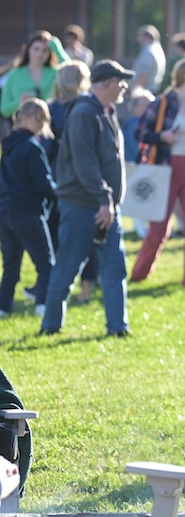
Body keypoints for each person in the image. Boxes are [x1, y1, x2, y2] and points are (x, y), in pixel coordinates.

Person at [40, 60, 133, 337]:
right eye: (120, 80)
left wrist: (110, 203)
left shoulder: (107, 111)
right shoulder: (84, 113)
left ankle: (118, 328)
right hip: (83, 206)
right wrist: (104, 200)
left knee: (115, 269)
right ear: (105, 83)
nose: (124, 85)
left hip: (106, 207)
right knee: (68, 268)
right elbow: (85, 163)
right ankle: (51, 325)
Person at [130, 60, 185, 287]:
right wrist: (162, 137)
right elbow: (140, 133)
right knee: (158, 229)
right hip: (165, 169)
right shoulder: (162, 103)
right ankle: (139, 274)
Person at [0, 99, 56, 318]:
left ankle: (3, 307)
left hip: (5, 212)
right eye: (40, 119)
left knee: (11, 265)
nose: (42, 124)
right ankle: (43, 306)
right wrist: (59, 193)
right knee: (46, 263)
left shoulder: (8, 146)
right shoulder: (32, 147)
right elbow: (43, 183)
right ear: (28, 118)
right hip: (28, 211)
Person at [0, 30, 69, 120]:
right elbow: (4, 109)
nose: (39, 54)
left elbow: (71, 73)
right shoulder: (14, 74)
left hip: (51, 125)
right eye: (36, 49)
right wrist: (19, 101)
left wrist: (57, 48)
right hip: (23, 126)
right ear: (28, 49)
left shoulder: (54, 72)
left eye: (44, 50)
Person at [121, 89, 154, 166]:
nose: (150, 109)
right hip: (132, 168)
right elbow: (137, 150)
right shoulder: (134, 124)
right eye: (146, 105)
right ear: (135, 107)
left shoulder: (136, 122)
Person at [131, 24, 166, 95]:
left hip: (145, 92)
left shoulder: (149, 51)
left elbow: (143, 73)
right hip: (153, 90)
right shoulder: (157, 49)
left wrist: (136, 90)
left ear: (146, 37)